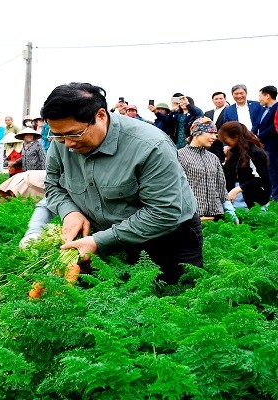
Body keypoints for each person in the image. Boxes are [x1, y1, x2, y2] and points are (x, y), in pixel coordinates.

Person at [42, 82, 202, 284]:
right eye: (58, 135)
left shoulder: (150, 146)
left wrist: (99, 241)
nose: (68, 143)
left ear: (100, 116)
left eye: (74, 134)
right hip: (101, 238)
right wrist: (69, 211)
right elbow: (53, 185)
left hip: (166, 239)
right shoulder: (63, 143)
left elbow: (164, 211)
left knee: (173, 302)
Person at [177, 117, 237, 222]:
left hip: (216, 217)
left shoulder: (213, 158)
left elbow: (221, 188)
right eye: (211, 133)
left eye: (215, 134)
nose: (214, 137)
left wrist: (229, 210)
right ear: (196, 133)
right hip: (191, 218)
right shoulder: (179, 155)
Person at [218, 121, 271, 209]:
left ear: (236, 136)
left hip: (255, 200)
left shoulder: (255, 153)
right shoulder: (235, 152)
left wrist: (238, 189)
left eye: (226, 141)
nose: (226, 144)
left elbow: (260, 178)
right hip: (238, 199)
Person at [256, 85, 278, 201]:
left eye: (260, 96)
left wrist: (258, 138)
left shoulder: (276, 108)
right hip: (265, 146)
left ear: (267, 96)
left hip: (273, 146)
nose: (259, 99)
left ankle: (275, 198)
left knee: (274, 172)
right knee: (270, 172)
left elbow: (273, 128)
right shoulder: (264, 110)